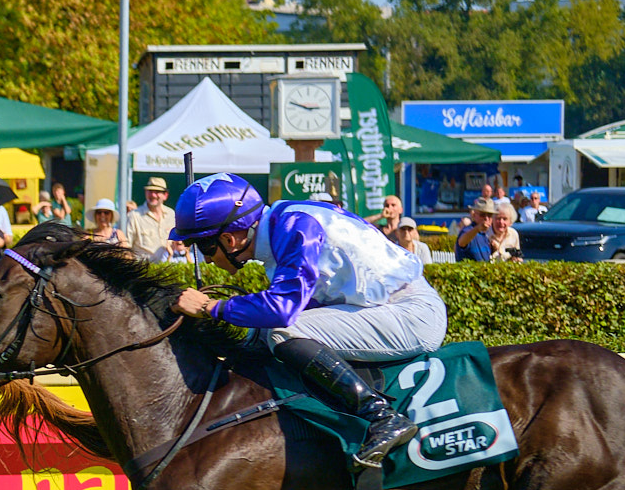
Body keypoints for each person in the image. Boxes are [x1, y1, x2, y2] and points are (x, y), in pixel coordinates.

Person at [171, 171, 444, 469]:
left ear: (229, 239)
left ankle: (382, 416)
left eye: (205, 247)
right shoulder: (281, 224)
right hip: (386, 308)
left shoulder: (294, 228)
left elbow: (282, 312)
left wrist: (212, 307)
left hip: (412, 315)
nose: (206, 258)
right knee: (263, 337)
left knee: (282, 331)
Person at [457, 198, 522, 262]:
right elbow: (462, 242)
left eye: (490, 215)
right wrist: (477, 229)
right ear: (474, 215)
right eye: (482, 215)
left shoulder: (485, 235)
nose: (486, 218)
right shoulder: (469, 230)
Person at [130, 177, 175, 260]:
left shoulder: (171, 215)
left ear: (165, 195)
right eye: (150, 191)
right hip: (144, 269)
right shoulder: (134, 216)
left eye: (157, 192)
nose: (153, 195)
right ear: (145, 193)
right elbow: (126, 246)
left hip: (168, 268)